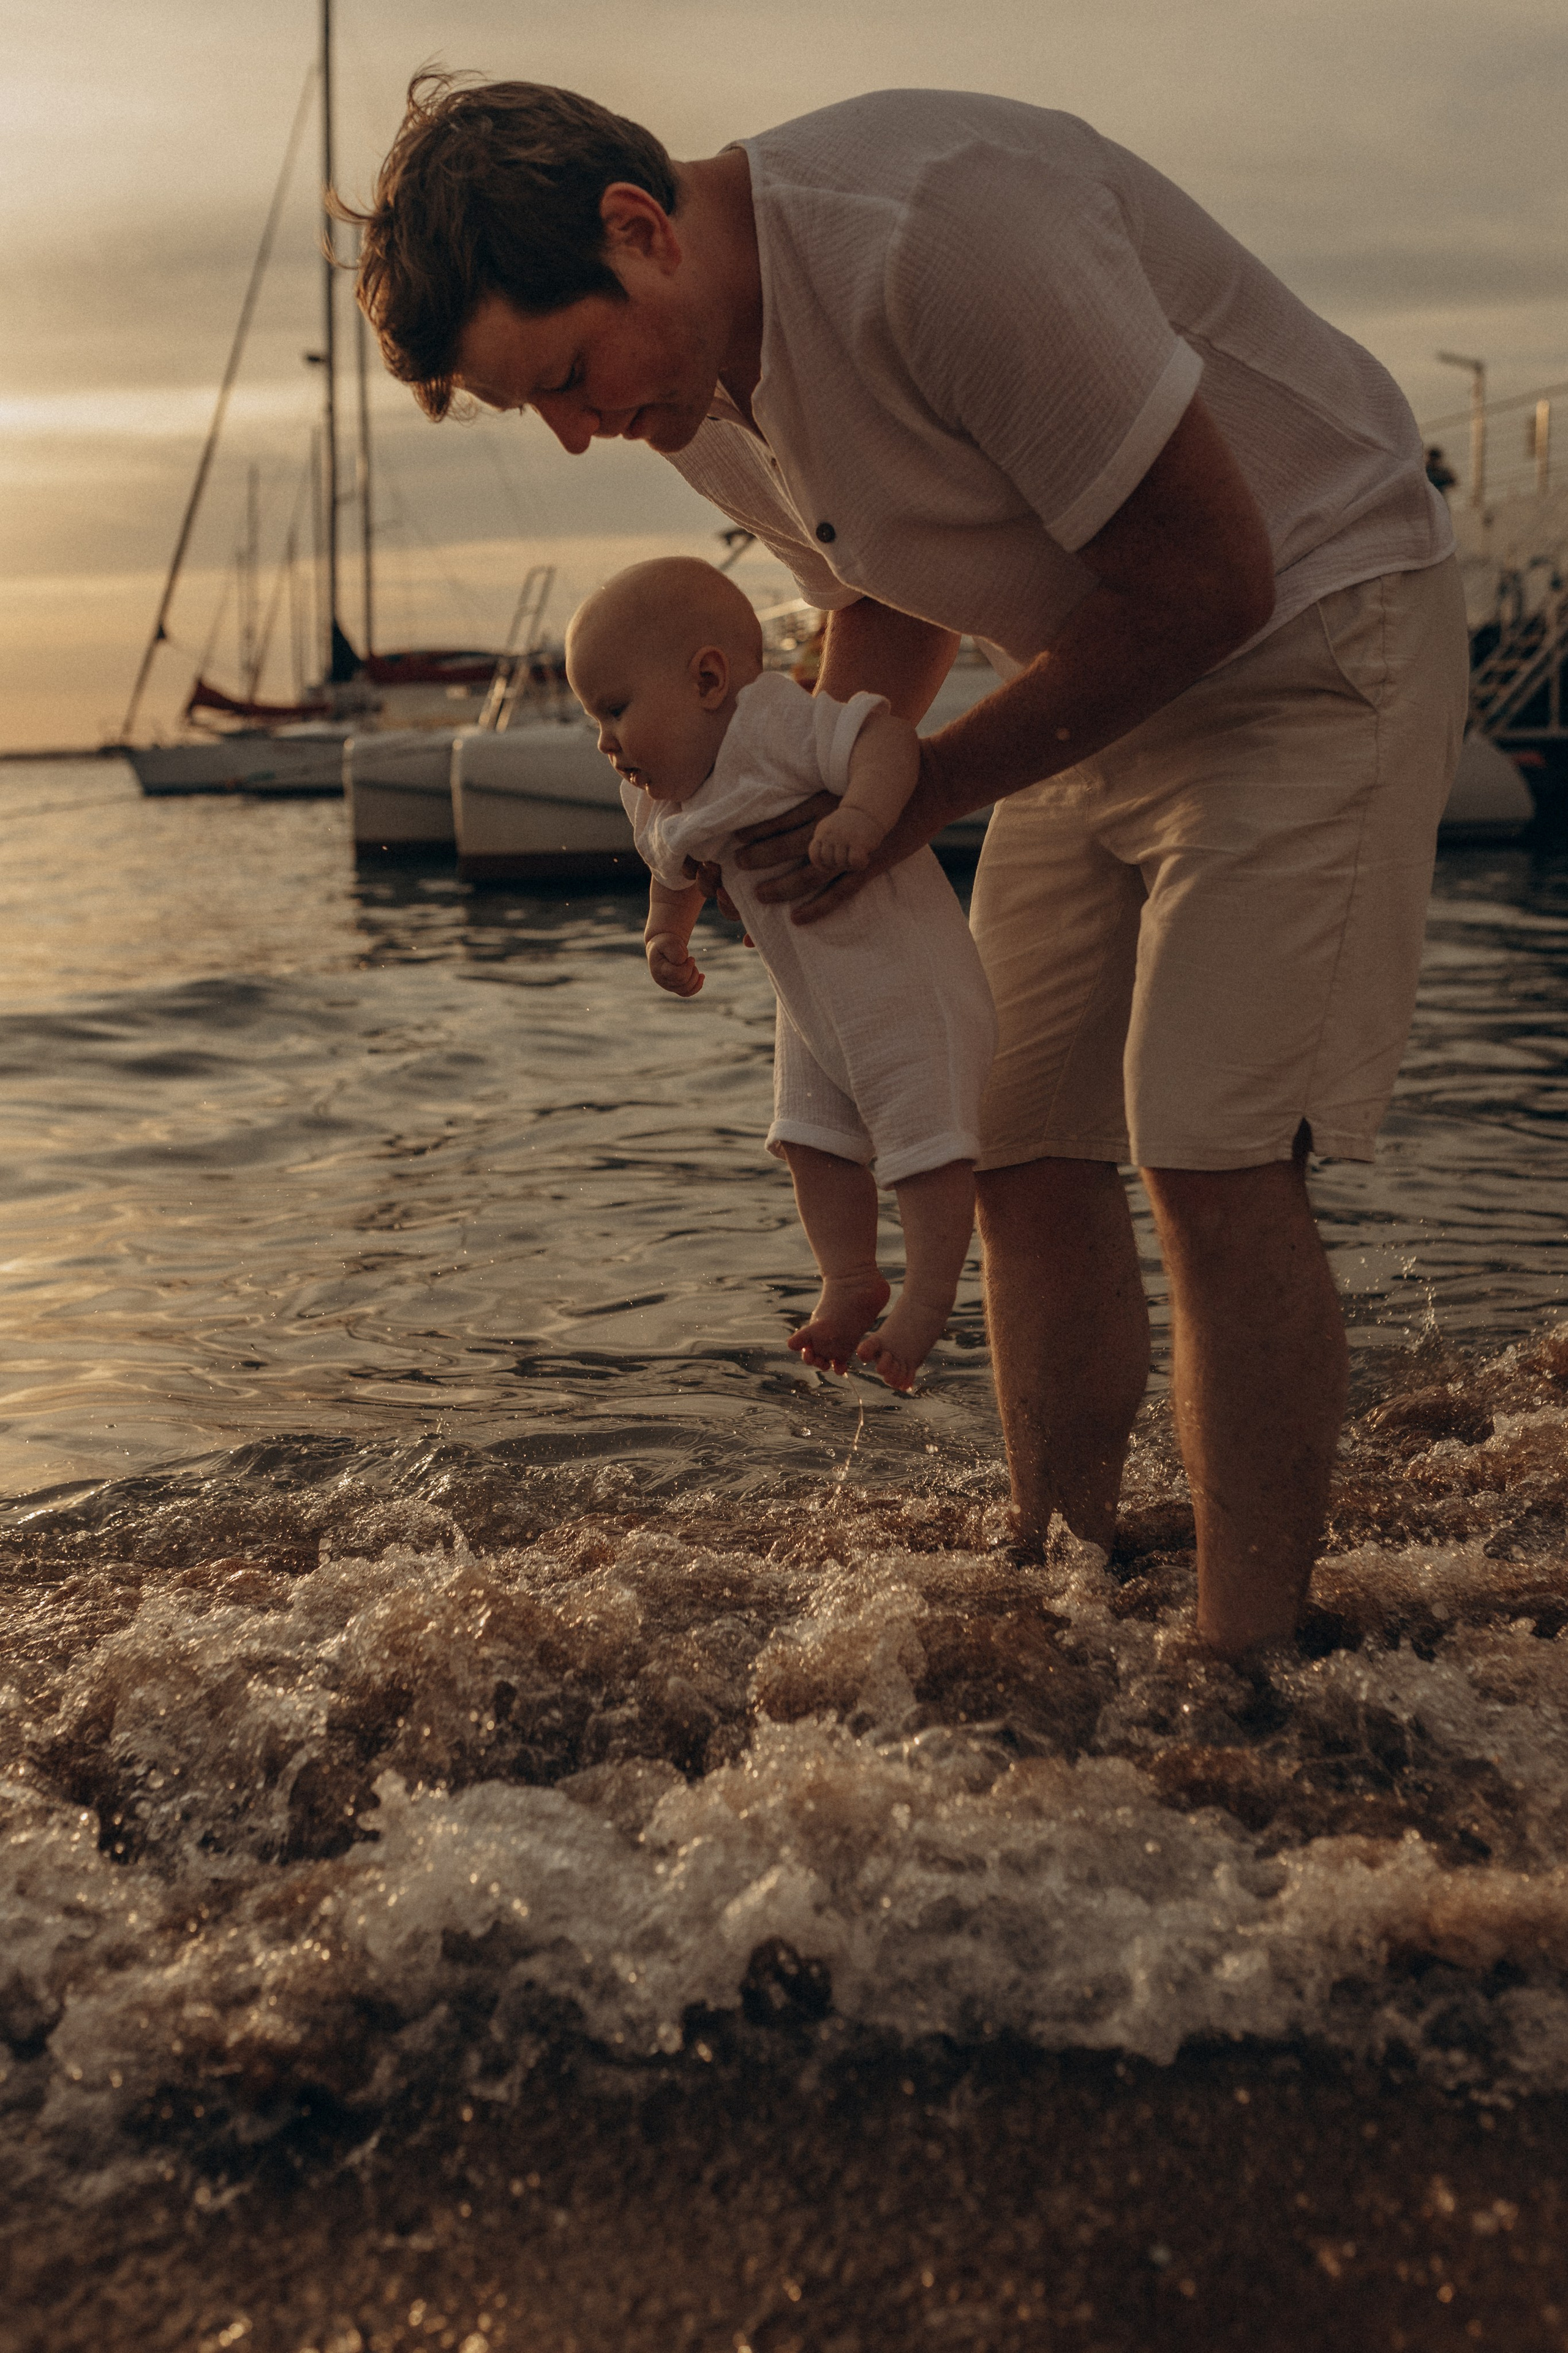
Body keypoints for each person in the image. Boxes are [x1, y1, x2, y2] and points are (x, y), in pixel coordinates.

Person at [348, 77, 1469, 1656]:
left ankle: (1246, 1661)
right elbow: (880, 603)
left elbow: (1213, 574)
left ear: (637, 229)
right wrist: (805, 802)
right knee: (1002, 1136)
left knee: (1207, 1141)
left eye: (568, 378)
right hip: (1092, 669)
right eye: (540, 407)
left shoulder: (922, 235)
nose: (580, 432)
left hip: (1308, 624)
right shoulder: (696, 396)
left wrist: (922, 784)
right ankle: (1062, 1583)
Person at [565, 555, 997, 1393]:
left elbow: (884, 735)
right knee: (807, 1139)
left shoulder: (773, 724)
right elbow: (672, 864)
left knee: (924, 1138)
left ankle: (930, 1292)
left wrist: (866, 814)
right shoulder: (659, 790)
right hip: (813, 1004)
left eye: (615, 709)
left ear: (708, 678)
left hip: (902, 981)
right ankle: (849, 1277)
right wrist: (665, 933)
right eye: (595, 717)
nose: (603, 740)